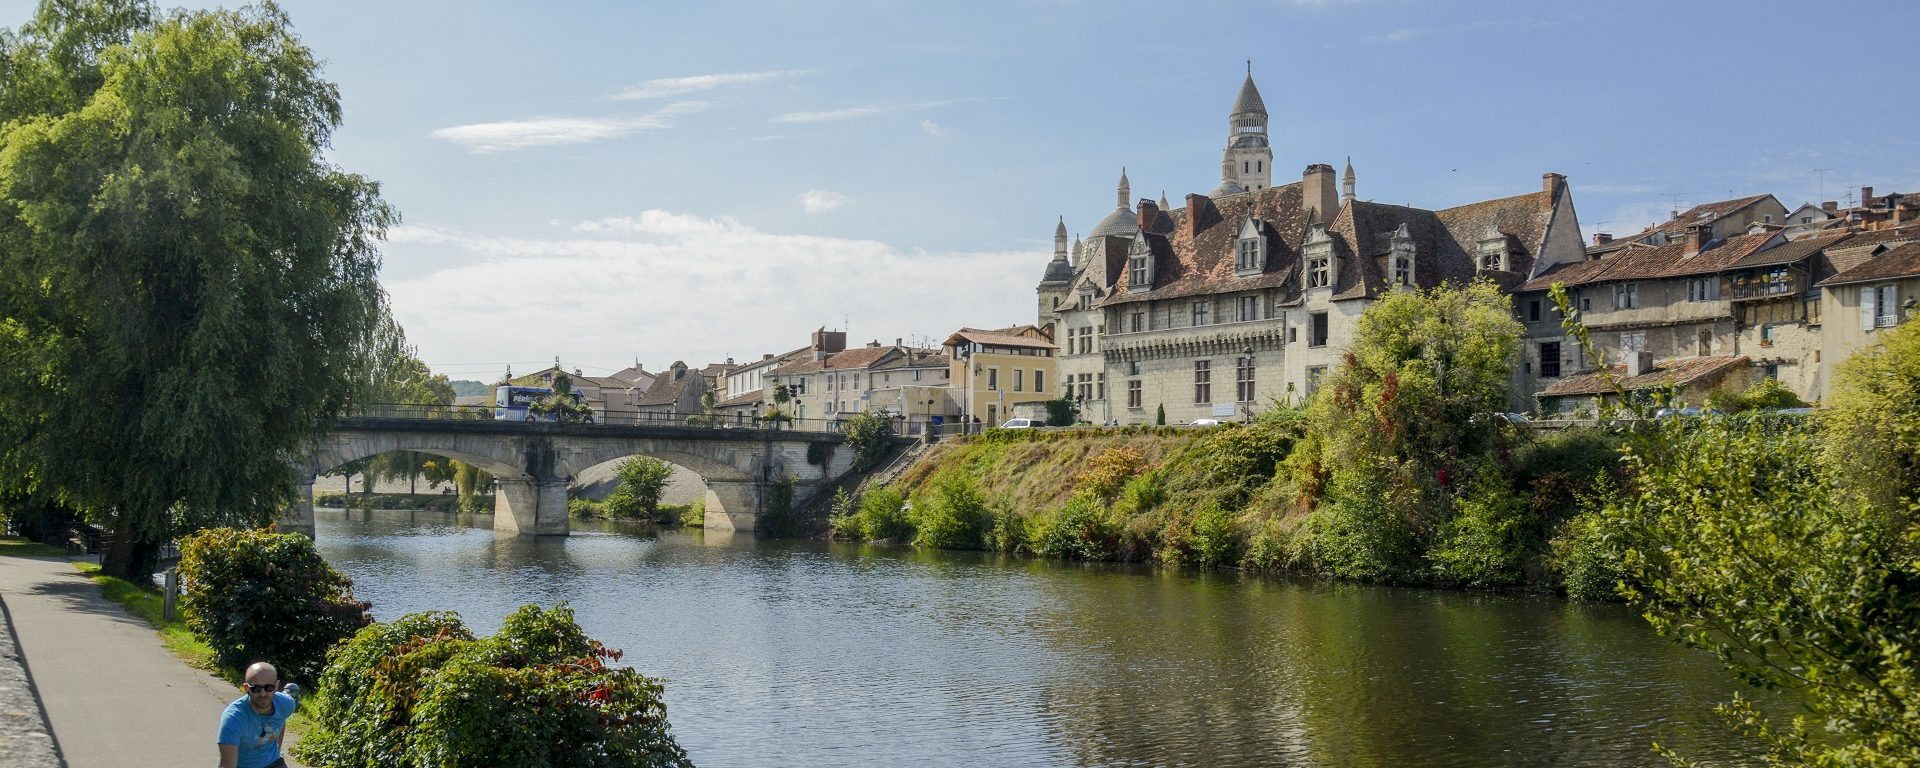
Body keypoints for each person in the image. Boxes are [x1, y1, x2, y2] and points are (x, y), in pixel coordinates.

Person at [217, 662, 298, 768]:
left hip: (273, 763)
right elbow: (227, 765)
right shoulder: (233, 719)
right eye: (256, 688)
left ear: (276, 686)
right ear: (246, 688)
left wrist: (277, 750)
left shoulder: (285, 704)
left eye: (269, 687)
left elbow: (281, 720)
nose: (263, 694)